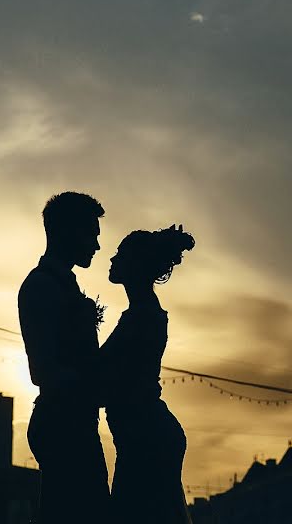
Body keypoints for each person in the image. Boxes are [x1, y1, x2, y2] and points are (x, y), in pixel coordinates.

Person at [18, 192, 109, 523]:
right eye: (91, 235)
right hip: (63, 424)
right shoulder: (41, 286)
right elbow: (43, 371)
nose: (97, 246)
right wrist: (98, 381)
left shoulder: (64, 284)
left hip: (74, 422)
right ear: (68, 232)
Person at [101, 224, 195, 523]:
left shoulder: (143, 317)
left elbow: (106, 378)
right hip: (143, 434)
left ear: (136, 265)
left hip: (146, 437)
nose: (112, 260)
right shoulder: (141, 313)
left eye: (120, 255)